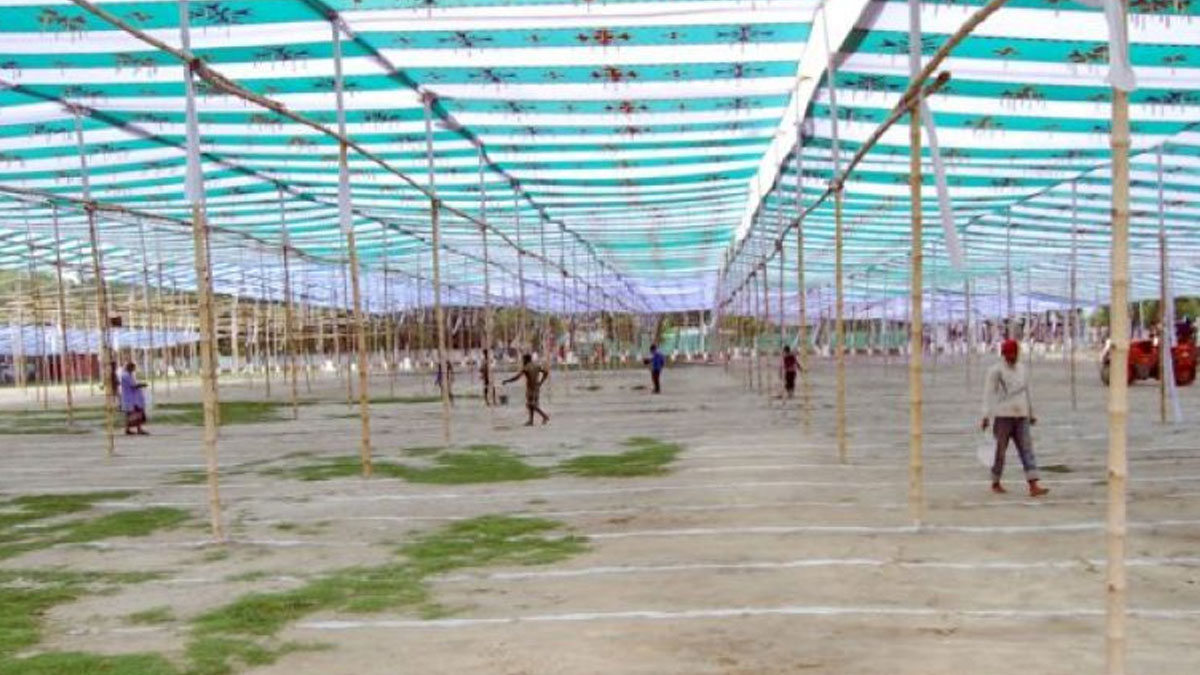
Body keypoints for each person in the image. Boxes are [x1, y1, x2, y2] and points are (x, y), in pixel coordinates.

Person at [980, 339, 1048, 497]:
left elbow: (1028, 392)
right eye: (1010, 353)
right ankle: (995, 481)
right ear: (1004, 354)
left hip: (1021, 415)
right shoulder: (995, 371)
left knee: (1027, 449)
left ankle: (1033, 484)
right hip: (1003, 416)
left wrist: (1031, 413)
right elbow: (988, 394)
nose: (1013, 356)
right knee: (999, 452)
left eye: (1015, 353)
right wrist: (985, 416)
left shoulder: (1022, 369)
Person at [503, 353, 549, 426]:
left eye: (523, 359)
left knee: (531, 404)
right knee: (532, 405)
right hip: (536, 387)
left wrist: (507, 381)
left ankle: (544, 416)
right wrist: (541, 382)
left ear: (526, 359)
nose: (522, 361)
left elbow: (517, 377)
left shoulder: (526, 367)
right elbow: (546, 372)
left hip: (530, 388)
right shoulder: (536, 366)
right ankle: (531, 420)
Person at [119, 361, 149, 436]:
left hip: (133, 398)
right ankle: (134, 429)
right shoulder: (126, 375)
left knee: (133, 414)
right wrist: (141, 385)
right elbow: (133, 385)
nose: (134, 369)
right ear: (130, 367)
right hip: (130, 398)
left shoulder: (130, 375)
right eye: (133, 368)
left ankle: (132, 429)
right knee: (134, 413)